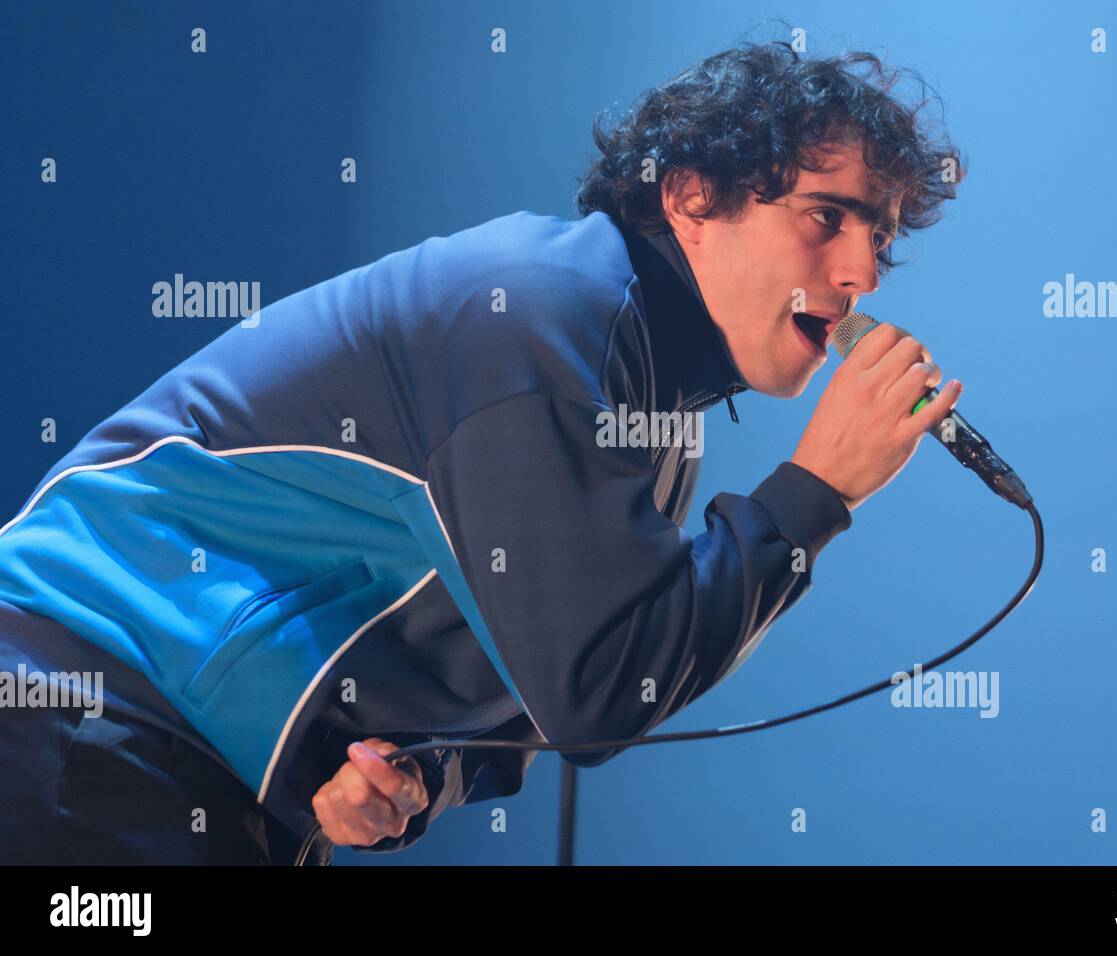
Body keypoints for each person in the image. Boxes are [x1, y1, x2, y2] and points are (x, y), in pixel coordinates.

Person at [0, 40, 963, 864]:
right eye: (826, 216)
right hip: (74, 718)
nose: (862, 272)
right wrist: (817, 489)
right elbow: (600, 693)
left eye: (878, 238)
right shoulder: (538, 316)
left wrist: (417, 771)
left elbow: (542, 694)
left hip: (179, 770)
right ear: (691, 197)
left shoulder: (649, 406)